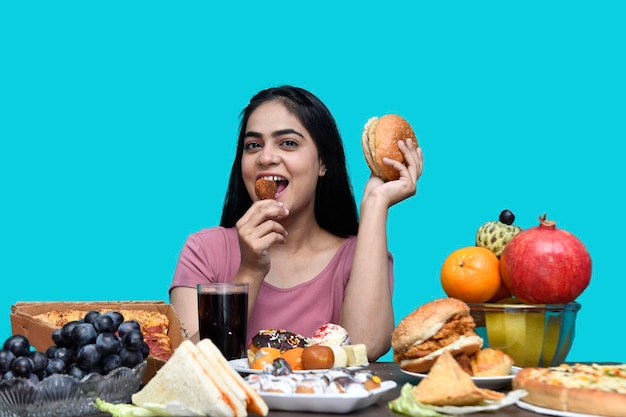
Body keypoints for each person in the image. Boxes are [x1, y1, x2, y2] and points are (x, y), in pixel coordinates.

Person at [170, 85, 423, 361]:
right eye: (253, 145)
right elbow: (187, 365)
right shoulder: (203, 251)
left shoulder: (359, 257)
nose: (266, 157)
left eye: (288, 143)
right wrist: (250, 270)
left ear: (323, 162)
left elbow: (365, 348)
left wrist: (375, 205)